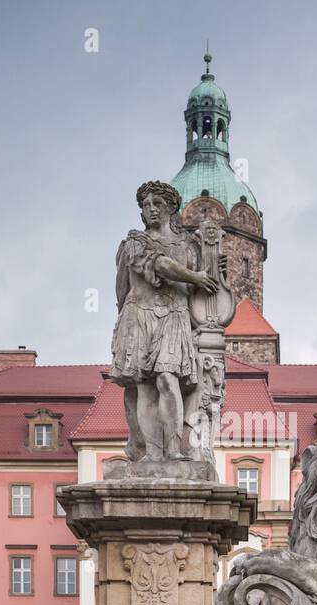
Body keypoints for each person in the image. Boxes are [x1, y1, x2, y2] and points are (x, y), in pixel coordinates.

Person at [110, 181, 219, 461]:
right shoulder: (135, 242)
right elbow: (157, 266)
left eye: (157, 204)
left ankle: (174, 448)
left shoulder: (189, 246)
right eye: (146, 206)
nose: (151, 210)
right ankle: (152, 454)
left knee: (167, 380)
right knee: (144, 385)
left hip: (174, 315)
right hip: (140, 315)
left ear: (171, 208)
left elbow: (205, 289)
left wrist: (215, 271)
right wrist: (195, 277)